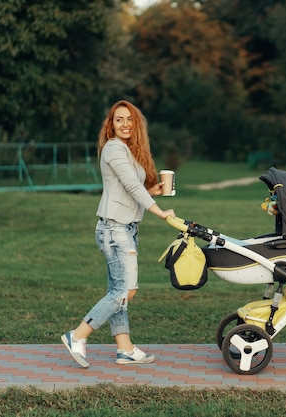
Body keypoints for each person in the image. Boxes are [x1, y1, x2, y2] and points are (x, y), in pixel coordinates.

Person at [61, 100, 175, 368]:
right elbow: (132, 187)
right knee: (126, 290)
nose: (124, 124)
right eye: (118, 120)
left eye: (129, 119)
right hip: (114, 229)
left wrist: (154, 191)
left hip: (125, 228)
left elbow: (131, 189)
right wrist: (160, 211)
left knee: (118, 290)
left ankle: (125, 349)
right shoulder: (113, 148)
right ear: (111, 125)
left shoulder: (127, 150)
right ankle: (77, 336)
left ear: (136, 123)